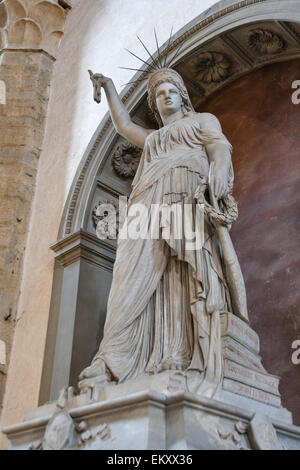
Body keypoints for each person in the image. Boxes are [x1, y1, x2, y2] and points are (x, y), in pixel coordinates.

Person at [79, 67, 238, 395]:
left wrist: (220, 171)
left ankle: (176, 355)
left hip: (185, 192)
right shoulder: (152, 139)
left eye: (171, 90)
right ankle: (113, 359)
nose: (166, 96)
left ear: (182, 96)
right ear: (154, 103)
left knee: (184, 274)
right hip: (145, 200)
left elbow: (219, 146)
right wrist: (109, 88)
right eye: (159, 93)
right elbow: (123, 125)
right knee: (130, 274)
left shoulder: (201, 121)